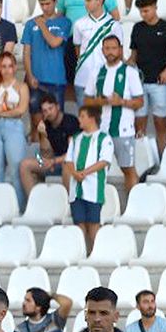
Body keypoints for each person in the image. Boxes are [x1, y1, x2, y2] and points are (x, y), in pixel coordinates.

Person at [83, 35, 143, 197]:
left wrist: (121, 102)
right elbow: (87, 100)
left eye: (113, 48)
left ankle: (133, 206)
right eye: (107, 48)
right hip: (101, 130)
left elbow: (139, 102)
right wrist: (102, 102)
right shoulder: (96, 71)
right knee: (97, 170)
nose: (110, 52)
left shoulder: (129, 72)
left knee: (128, 169)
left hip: (124, 130)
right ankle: (100, 206)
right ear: (102, 50)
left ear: (120, 50)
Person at [128, 0, 166, 155]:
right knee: (139, 123)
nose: (144, 14)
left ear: (155, 7)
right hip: (140, 83)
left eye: (147, 10)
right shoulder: (137, 28)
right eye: (141, 11)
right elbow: (133, 55)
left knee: (160, 123)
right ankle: (140, 159)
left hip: (160, 82)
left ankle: (165, 160)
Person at [0, 51, 30, 210]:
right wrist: (5, 107)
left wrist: (0, 111)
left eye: (10, 66)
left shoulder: (22, 87)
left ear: (15, 67)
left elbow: (21, 109)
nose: (7, 69)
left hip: (14, 126)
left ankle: (18, 208)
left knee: (16, 171)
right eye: (3, 66)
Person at [63, 105, 114, 253]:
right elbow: (69, 160)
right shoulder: (76, 138)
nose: (79, 119)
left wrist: (84, 173)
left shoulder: (104, 138)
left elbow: (104, 161)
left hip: (93, 188)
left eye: (82, 116)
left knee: (93, 224)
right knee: (79, 224)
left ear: (92, 118)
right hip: (76, 189)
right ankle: (81, 254)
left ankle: (95, 254)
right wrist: (74, 173)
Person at [21, 0, 72, 131]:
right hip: (36, 80)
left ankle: (56, 151)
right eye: (42, 4)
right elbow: (26, 53)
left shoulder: (64, 22)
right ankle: (38, 151)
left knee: (56, 122)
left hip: (56, 79)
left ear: (55, 2)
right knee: (36, 124)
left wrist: (43, 25)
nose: (45, 7)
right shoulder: (31, 24)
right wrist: (30, 75)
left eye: (48, 4)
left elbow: (54, 43)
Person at [71, 0, 123, 109]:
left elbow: (119, 52)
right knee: (84, 118)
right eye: (85, 0)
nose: (85, 4)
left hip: (106, 77)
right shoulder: (79, 24)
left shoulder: (114, 25)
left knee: (105, 119)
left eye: (89, 0)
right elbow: (77, 49)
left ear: (99, 1)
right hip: (83, 78)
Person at [20, 93, 79, 196]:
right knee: (25, 164)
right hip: (53, 160)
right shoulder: (45, 124)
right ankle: (35, 203)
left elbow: (72, 153)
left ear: (58, 106)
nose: (48, 113)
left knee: (67, 166)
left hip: (71, 162)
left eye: (50, 108)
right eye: (45, 111)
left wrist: (53, 161)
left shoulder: (70, 121)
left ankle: (70, 204)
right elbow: (44, 153)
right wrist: (42, 136)